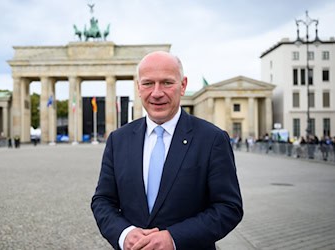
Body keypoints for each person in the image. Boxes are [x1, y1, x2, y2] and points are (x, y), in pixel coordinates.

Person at [91, 51, 243, 250]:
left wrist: (174, 238)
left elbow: (228, 208)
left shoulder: (212, 139)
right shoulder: (118, 139)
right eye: (148, 83)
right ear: (138, 87)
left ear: (183, 85)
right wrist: (124, 233)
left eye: (166, 83)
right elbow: (103, 200)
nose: (156, 93)